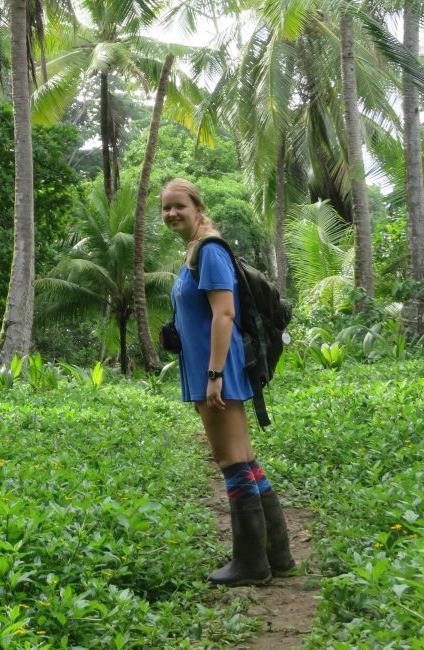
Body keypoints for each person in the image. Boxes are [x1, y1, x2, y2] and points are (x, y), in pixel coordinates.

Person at [161, 178, 296, 586]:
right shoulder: (194, 252)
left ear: (197, 207)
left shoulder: (210, 251)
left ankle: (251, 565)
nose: (171, 214)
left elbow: (224, 315)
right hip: (210, 369)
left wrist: (215, 375)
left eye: (179, 206)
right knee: (243, 460)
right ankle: (278, 555)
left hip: (217, 372)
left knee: (231, 461)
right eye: (165, 208)